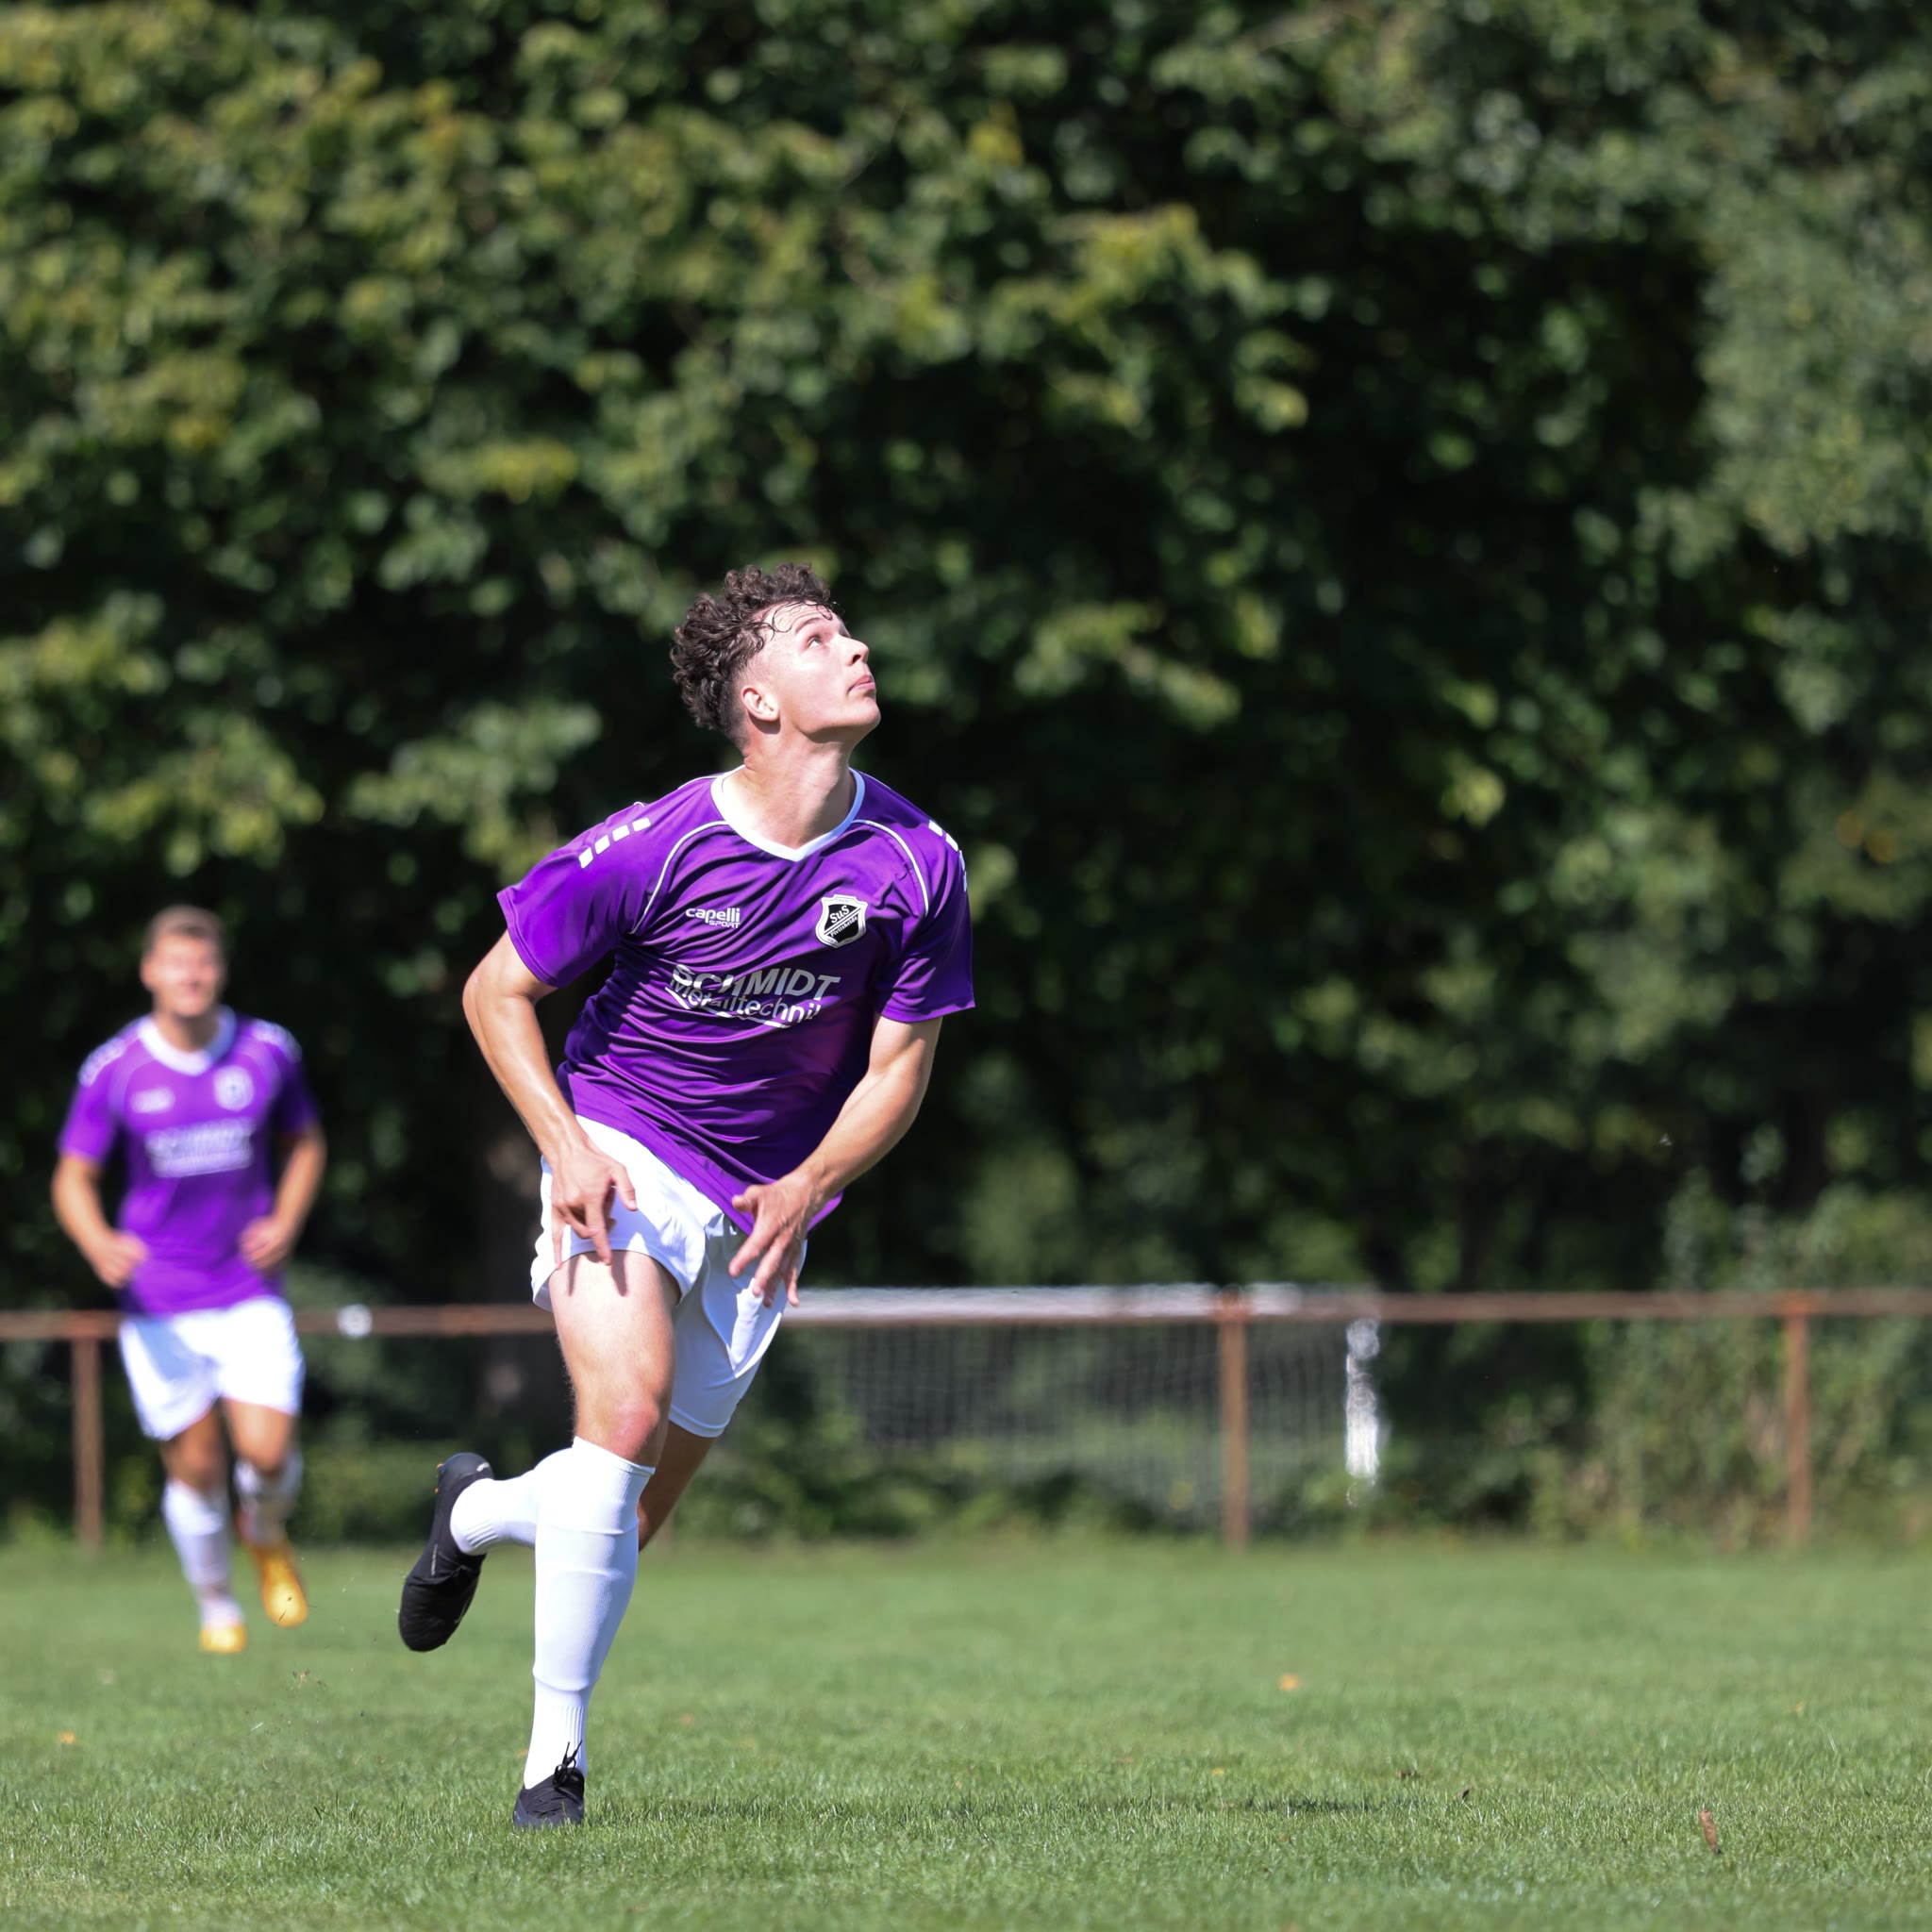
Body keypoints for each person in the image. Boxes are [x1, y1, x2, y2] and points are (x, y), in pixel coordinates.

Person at [397, 562, 973, 1827]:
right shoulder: (655, 843)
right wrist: (566, 1147)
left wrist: (811, 1180)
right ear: (757, 701)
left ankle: (477, 1510)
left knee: (626, 1518)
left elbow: (899, 1068)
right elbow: (496, 992)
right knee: (623, 1412)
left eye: (848, 631)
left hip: (767, 1203)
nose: (855, 647)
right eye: (819, 638)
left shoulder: (918, 861)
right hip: (623, 1145)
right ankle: (553, 1768)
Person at [51, 906, 327, 1653]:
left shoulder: (267, 1051)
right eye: (176, 963)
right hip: (159, 1303)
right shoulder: (116, 1068)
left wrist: (287, 1219)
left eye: (202, 963)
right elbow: (73, 1176)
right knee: (198, 1466)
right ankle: (217, 1606)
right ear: (150, 972)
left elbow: (306, 1141)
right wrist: (97, 1240)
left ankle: (265, 1532)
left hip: (248, 1290)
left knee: (267, 1454)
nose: (191, 976)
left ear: (220, 971)